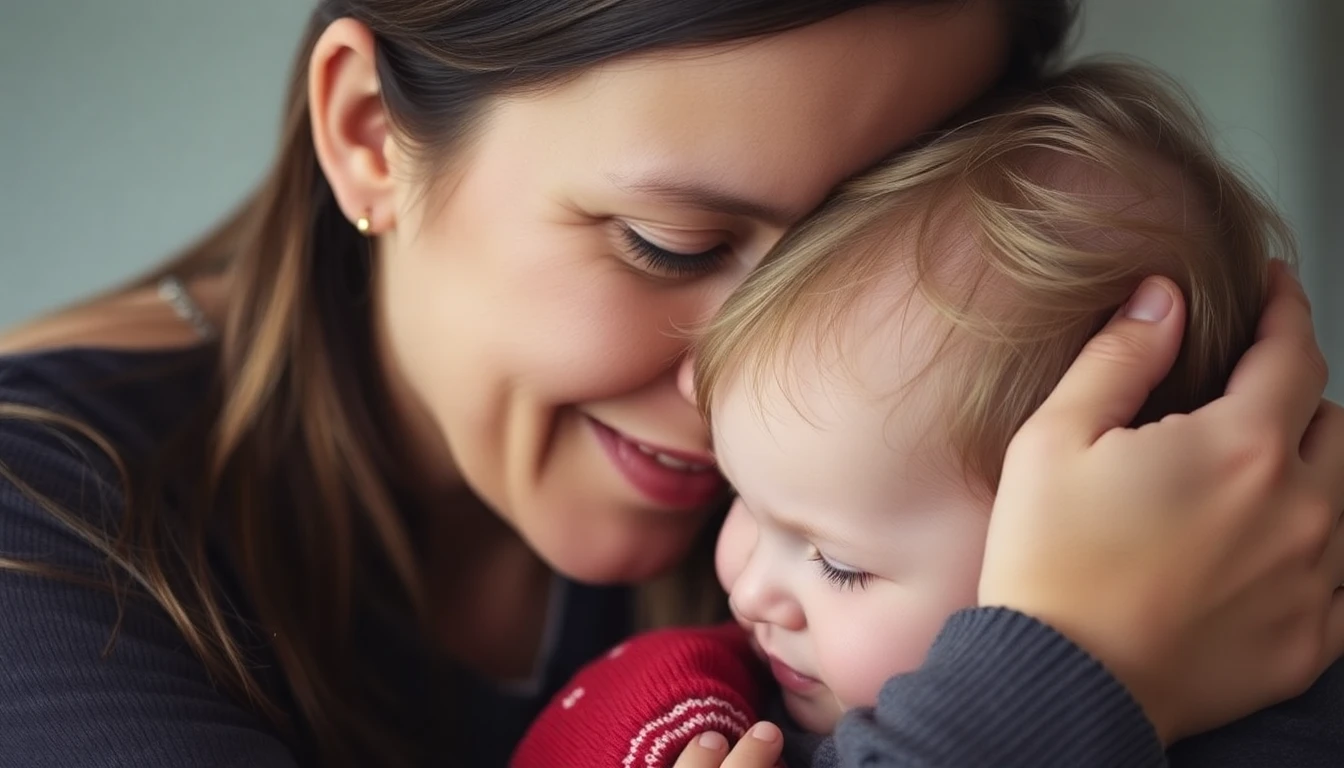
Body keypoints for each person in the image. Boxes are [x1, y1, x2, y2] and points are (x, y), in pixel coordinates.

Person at [1, 2, 1341, 767]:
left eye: (851, 272)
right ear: (370, 138)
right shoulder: (36, 541)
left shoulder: (924, 521)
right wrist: (1067, 677)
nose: (745, 391)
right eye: (673, 244)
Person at [514, 60, 1344, 768]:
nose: (751, 587)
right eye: (748, 503)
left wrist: (1057, 665)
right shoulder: (699, 710)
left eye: (839, 564)